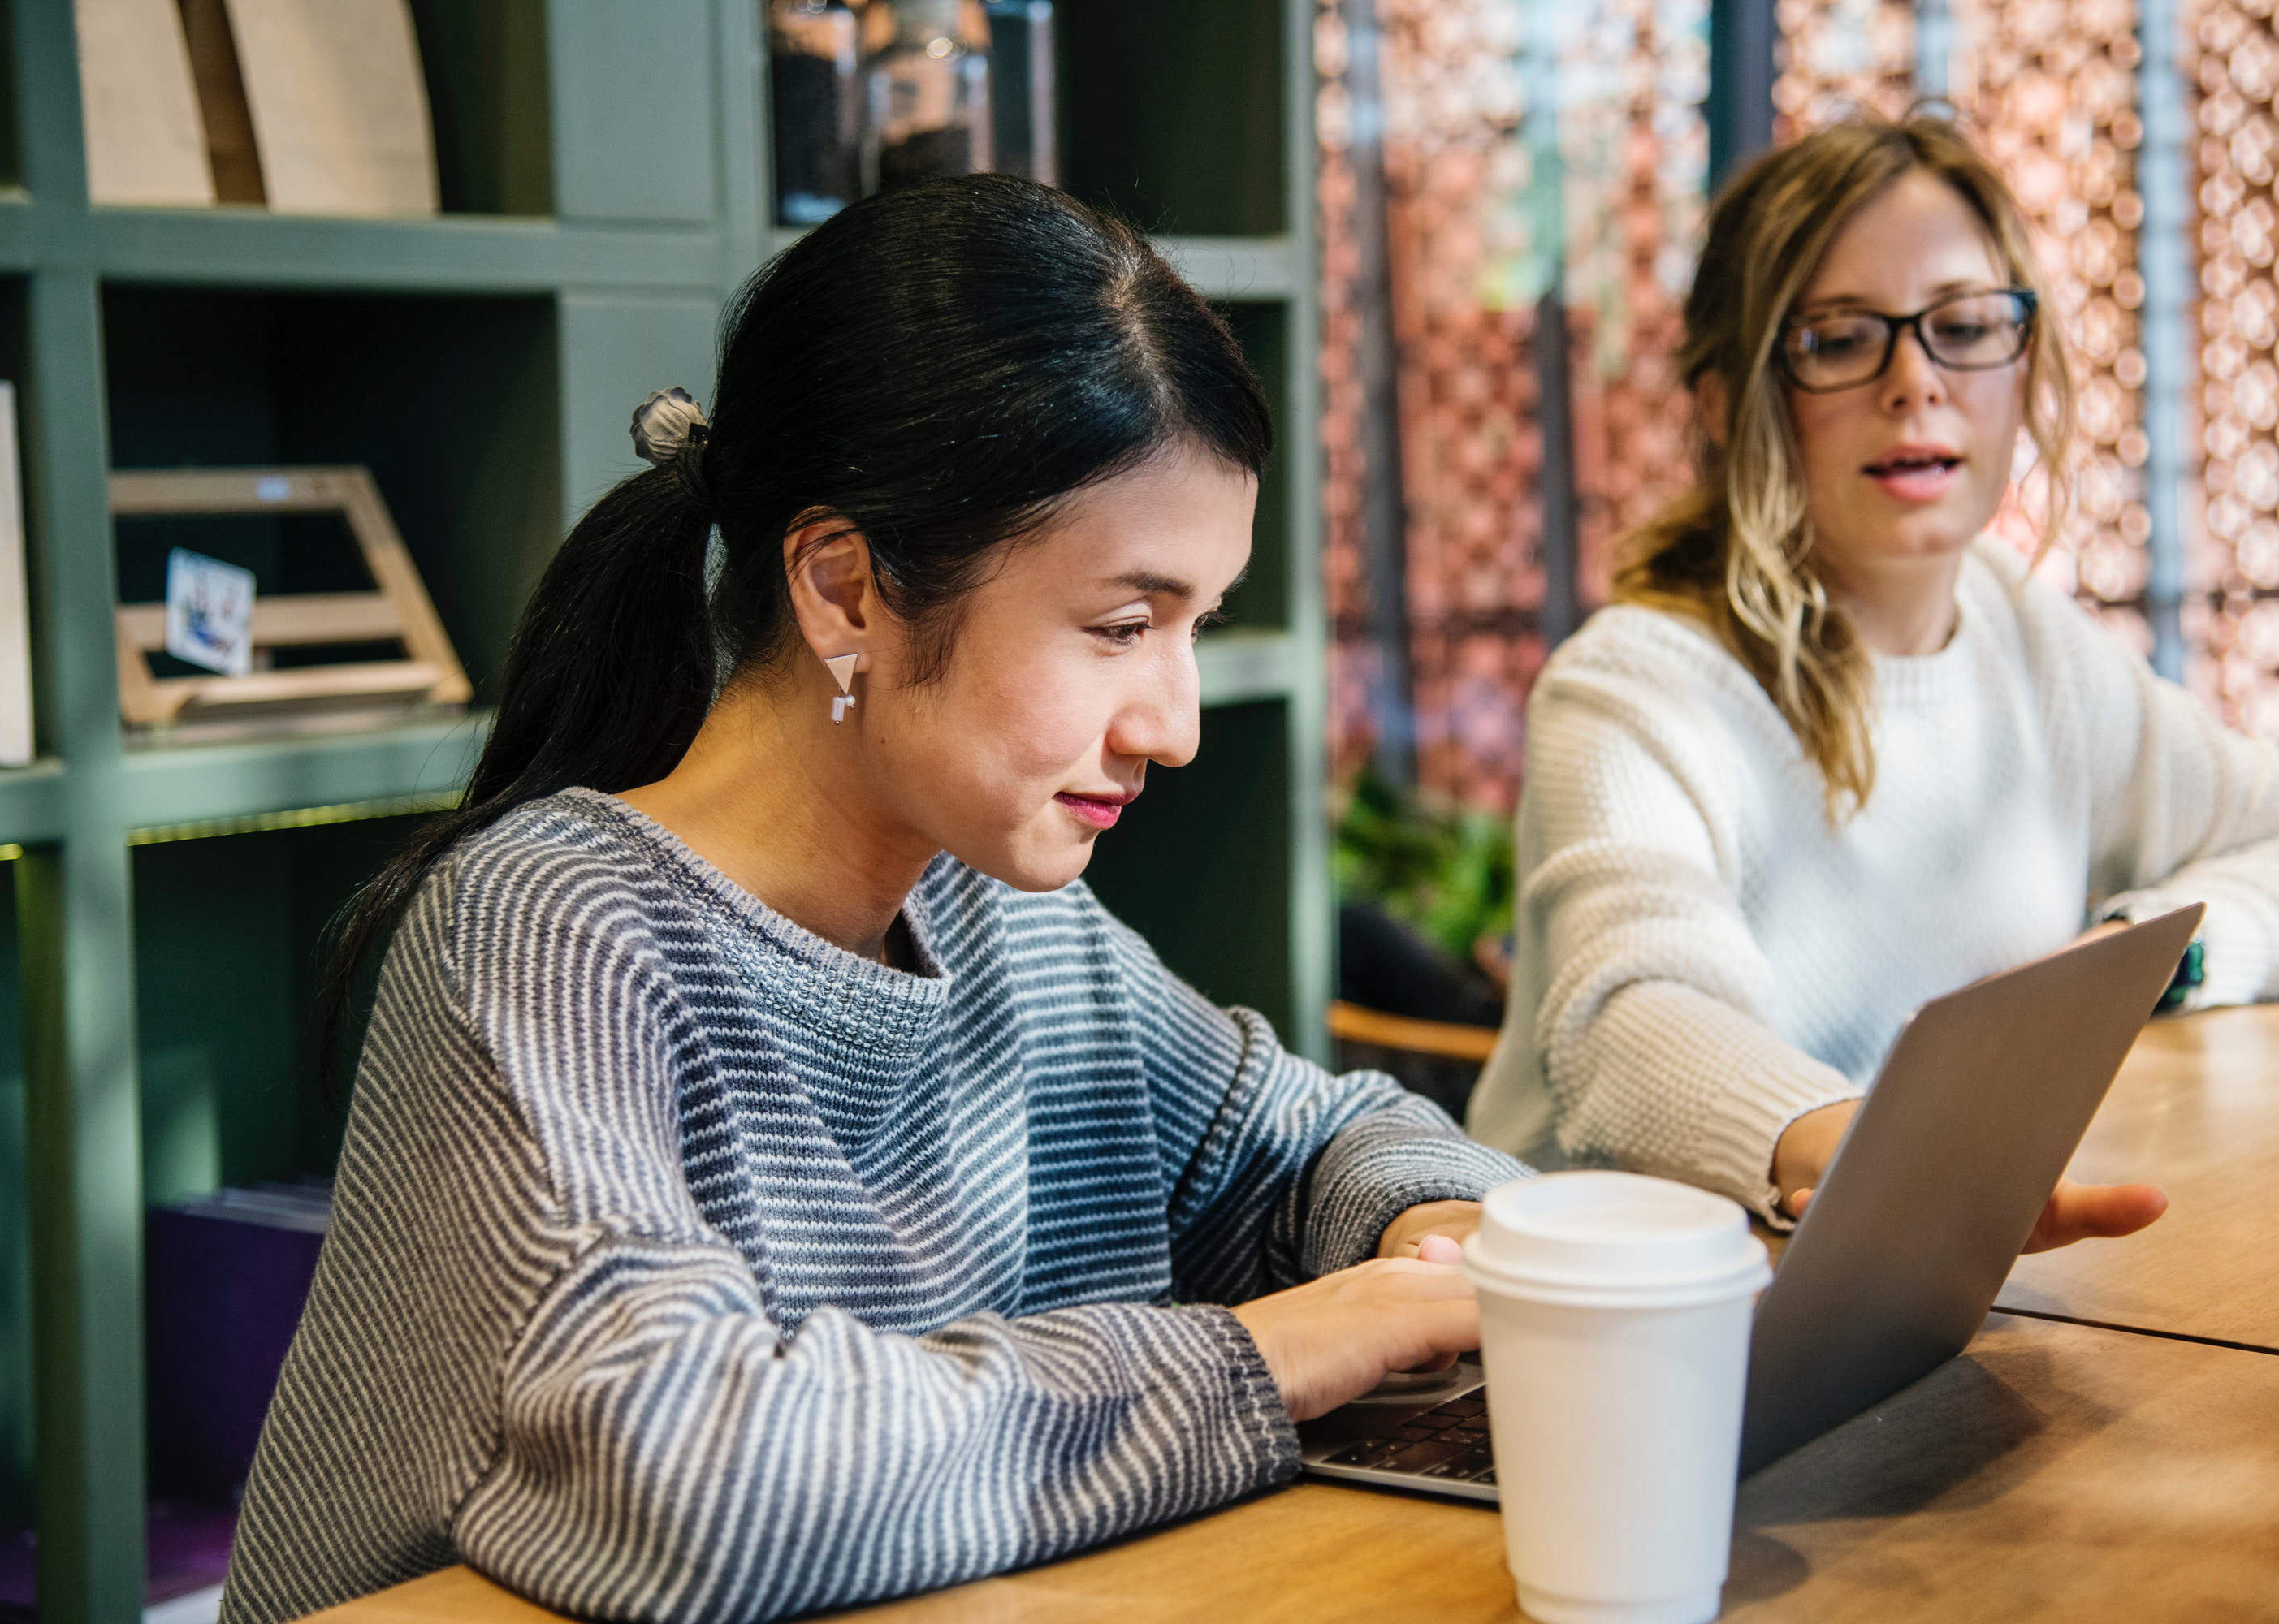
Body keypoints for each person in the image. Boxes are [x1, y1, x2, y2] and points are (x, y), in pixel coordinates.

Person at [223, 177, 1527, 1624]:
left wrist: (1431, 1239)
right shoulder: (548, 929)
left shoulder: (1002, 914)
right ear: (844, 588)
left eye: (1196, 626)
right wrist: (1272, 1357)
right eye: (1120, 626)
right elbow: (691, 1478)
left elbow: (1317, 1145)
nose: (1177, 721)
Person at [1465, 115, 2279, 1232]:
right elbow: (1631, 1021)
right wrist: (1878, 1161)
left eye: (1962, 326)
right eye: (1841, 338)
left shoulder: (2028, 642)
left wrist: (2134, 963)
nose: (1916, 382)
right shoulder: (1632, 688)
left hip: (1925, 1287)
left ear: (2021, 365)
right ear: (1728, 402)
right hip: (1619, 1336)